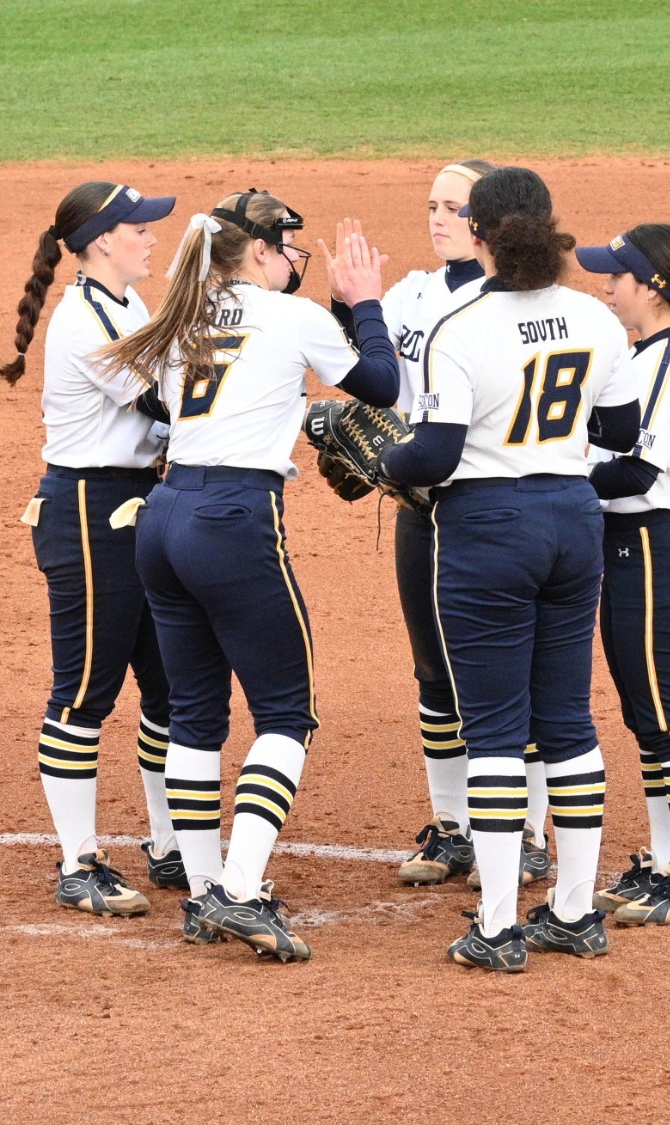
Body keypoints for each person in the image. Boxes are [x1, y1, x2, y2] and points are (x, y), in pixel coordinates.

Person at [96, 191, 398, 961]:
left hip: (165, 516)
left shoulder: (183, 316)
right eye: (288, 246)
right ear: (257, 251)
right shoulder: (289, 317)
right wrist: (363, 304)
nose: (296, 259)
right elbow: (382, 385)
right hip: (234, 520)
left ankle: (205, 894)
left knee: (196, 712)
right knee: (286, 716)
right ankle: (237, 887)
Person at [382, 167, 640, 972]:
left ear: (483, 234)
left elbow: (437, 452)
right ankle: (572, 911)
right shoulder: (594, 317)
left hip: (488, 527)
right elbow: (623, 429)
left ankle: (496, 926)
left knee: (492, 728)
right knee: (567, 720)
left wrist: (383, 460)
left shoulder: (461, 324)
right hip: (571, 519)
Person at [321, 159, 554, 889]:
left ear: (488, 219)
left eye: (454, 206)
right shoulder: (413, 293)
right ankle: (453, 826)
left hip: (489, 508)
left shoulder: (515, 300)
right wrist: (346, 306)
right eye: (431, 204)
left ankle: (527, 832)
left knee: (512, 678)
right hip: (420, 509)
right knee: (433, 672)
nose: (438, 217)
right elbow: (372, 371)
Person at [0, 182, 180, 917]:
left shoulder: (128, 304)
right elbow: (163, 404)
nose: (152, 238)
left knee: (168, 684)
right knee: (84, 688)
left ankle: (171, 845)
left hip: (139, 502)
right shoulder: (83, 321)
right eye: (141, 228)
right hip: (87, 508)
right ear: (103, 240)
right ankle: (79, 860)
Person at [575, 224, 670, 925]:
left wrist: (559, 478)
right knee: (647, 721)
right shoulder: (641, 357)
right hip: (629, 552)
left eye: (618, 276)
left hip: (655, 552)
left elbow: (637, 470)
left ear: (657, 288)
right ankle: (668, 865)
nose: (606, 287)